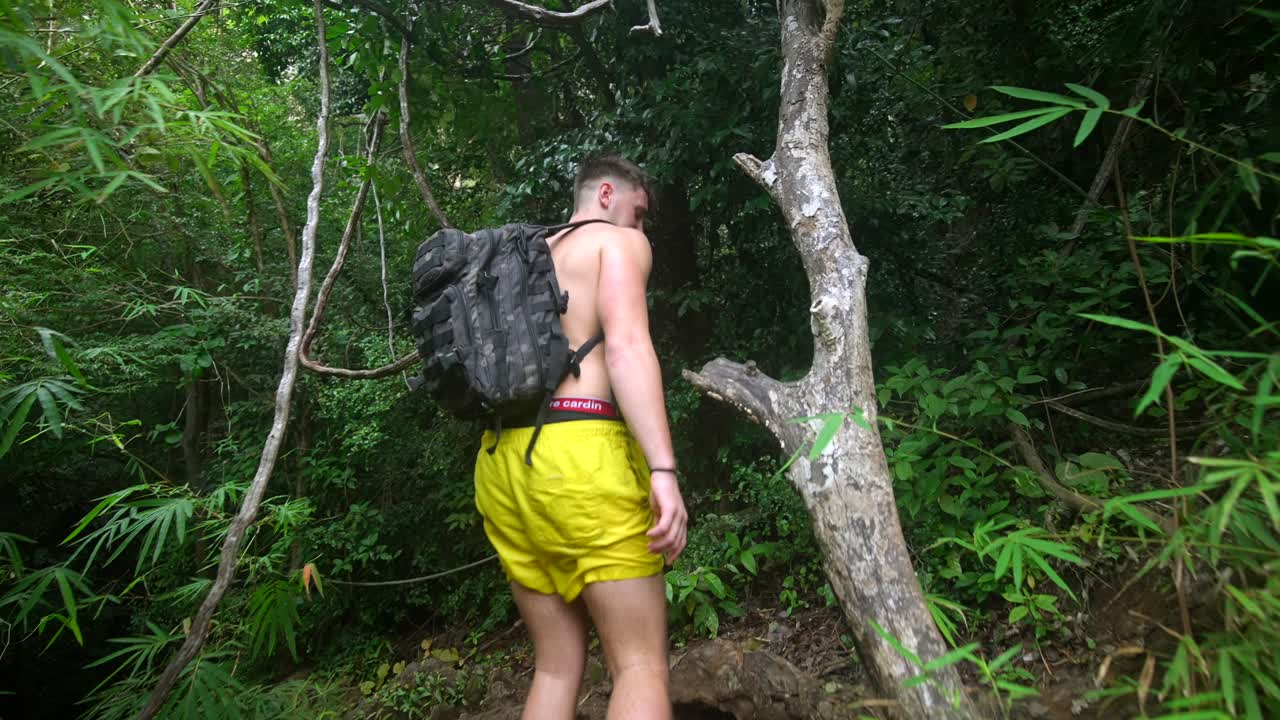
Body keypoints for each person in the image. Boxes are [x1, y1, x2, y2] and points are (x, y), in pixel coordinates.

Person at [473, 155, 688, 720]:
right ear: (609, 194)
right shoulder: (615, 245)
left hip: (503, 465)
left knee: (555, 665)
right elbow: (625, 349)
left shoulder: (524, 255)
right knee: (639, 666)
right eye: (639, 215)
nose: (641, 231)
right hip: (580, 460)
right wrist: (662, 470)